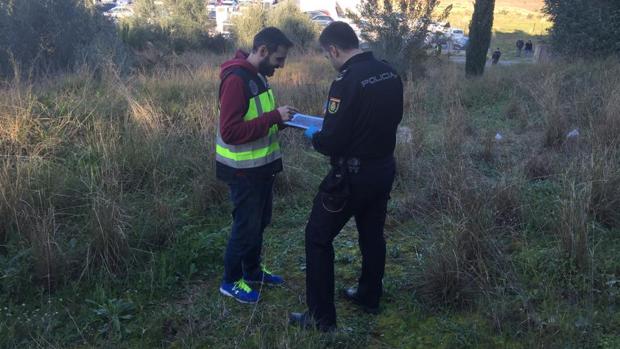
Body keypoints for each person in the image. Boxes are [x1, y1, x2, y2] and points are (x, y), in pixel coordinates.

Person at [289, 22, 403, 332]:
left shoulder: (346, 81)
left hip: (351, 177)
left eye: (329, 56)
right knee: (371, 233)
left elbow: (332, 141)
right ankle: (369, 295)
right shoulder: (389, 71)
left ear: (334, 49)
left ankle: (321, 318)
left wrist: (314, 136)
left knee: (317, 237)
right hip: (383, 169)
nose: (330, 61)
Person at [216, 27, 298, 304]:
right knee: (245, 226)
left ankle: (251, 272)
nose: (281, 65)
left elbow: (259, 122)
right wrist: (274, 117)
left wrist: (282, 121)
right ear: (263, 51)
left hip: (262, 168)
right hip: (243, 172)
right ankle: (230, 281)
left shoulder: (259, 77)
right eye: (278, 59)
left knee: (259, 223)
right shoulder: (236, 80)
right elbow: (230, 131)